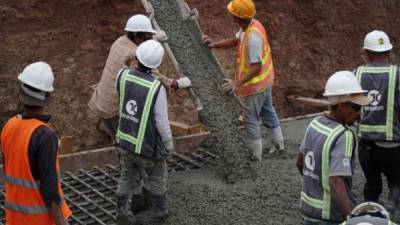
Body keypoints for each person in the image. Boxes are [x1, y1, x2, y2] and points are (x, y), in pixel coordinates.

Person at [88, 14, 191, 144]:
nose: (149, 40)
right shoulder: (135, 57)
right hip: (113, 111)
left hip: (100, 101)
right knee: (126, 144)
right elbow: (154, 76)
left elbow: (137, 49)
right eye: (147, 37)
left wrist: (153, 38)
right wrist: (176, 83)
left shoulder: (120, 41)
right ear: (137, 35)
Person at [202, 0, 284, 160]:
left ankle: (255, 155)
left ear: (237, 17)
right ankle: (279, 145)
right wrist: (214, 44)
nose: (230, 15)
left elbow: (256, 67)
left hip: (256, 86)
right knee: (268, 111)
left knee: (250, 118)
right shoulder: (252, 25)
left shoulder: (253, 38)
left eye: (232, 13)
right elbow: (236, 40)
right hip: (266, 80)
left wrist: (235, 83)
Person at [296, 71, 372, 225]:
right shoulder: (343, 135)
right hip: (329, 216)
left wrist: (316, 188)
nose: (359, 113)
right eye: (357, 107)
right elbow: (335, 181)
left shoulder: (314, 123)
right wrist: (349, 218)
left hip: (309, 211)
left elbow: (300, 162)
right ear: (342, 106)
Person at [1, 62, 71, 225]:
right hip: (40, 220)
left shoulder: (9, 126)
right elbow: (50, 191)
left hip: (15, 218)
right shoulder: (45, 135)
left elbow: (10, 170)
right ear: (48, 98)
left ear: (20, 93)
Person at [115, 40, 174, 225]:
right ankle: (159, 215)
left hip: (124, 142)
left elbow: (123, 68)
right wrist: (169, 144)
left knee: (126, 176)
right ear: (156, 65)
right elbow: (162, 122)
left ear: (137, 57)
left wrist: (127, 60)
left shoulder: (122, 76)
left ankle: (122, 213)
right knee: (157, 179)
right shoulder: (156, 87)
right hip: (148, 148)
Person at [355, 30, 400, 215]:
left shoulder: (356, 73)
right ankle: (389, 212)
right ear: (388, 52)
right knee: (397, 182)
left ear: (366, 52)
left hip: (365, 145)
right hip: (392, 145)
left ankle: (368, 215)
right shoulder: (397, 74)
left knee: (372, 184)